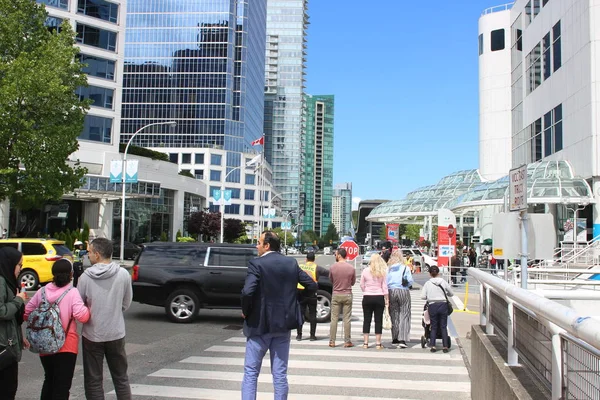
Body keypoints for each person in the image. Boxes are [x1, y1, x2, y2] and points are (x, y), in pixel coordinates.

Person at [241, 231, 317, 400]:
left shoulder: (256, 264)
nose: (257, 245)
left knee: (251, 372)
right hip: (283, 325)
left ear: (267, 245)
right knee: (280, 374)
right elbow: (311, 285)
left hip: (259, 325)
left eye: (259, 242)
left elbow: (247, 292)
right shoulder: (290, 263)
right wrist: (296, 299)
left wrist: (246, 311)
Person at [24, 259, 90, 399]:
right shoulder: (72, 293)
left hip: (45, 343)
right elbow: (82, 316)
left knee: (49, 380)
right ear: (71, 274)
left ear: (53, 274)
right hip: (66, 345)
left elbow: (27, 312)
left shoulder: (42, 292)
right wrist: (89, 308)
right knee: (62, 386)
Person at [77, 237, 133, 400]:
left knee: (93, 380)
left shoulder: (85, 277)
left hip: (92, 334)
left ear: (98, 253)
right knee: (121, 377)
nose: (88, 255)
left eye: (90, 252)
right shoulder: (123, 274)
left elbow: (79, 305)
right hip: (116, 332)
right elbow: (126, 302)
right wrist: (114, 310)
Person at [0, 247, 29, 399]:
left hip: (9, 343)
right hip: (3, 346)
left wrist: (20, 337)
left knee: (9, 388)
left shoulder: (8, 281)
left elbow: (13, 319)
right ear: (9, 263)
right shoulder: (1, 281)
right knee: (7, 389)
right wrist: (18, 300)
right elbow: (1, 311)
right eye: (19, 265)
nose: (20, 269)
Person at [421, 266, 454, 353]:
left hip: (432, 305)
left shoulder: (428, 283)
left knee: (433, 326)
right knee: (443, 326)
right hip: (443, 305)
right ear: (438, 273)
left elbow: (423, 296)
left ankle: (433, 346)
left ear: (430, 274)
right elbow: (451, 293)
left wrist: (430, 295)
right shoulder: (443, 281)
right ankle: (445, 346)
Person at [328, 248, 356, 348]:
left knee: (334, 318)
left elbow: (331, 279)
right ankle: (347, 341)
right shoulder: (351, 268)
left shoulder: (332, 267)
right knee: (347, 319)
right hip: (347, 294)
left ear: (339, 255)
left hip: (336, 294)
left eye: (336, 254)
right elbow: (353, 282)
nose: (335, 255)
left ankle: (332, 341)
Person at [296, 251, 327, 342]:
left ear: (306, 259)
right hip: (312, 292)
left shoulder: (300, 266)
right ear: (314, 259)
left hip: (301, 291)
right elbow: (327, 273)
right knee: (313, 314)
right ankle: (312, 336)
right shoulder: (317, 267)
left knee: (300, 313)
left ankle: (299, 335)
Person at [361, 253, 388, 349]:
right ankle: (378, 343)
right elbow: (384, 287)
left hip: (367, 296)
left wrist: (366, 291)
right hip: (379, 296)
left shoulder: (365, 271)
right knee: (378, 320)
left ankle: (365, 343)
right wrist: (387, 299)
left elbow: (362, 284)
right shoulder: (382, 271)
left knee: (367, 320)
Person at [386, 250, 413, 348]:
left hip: (391, 291)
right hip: (403, 290)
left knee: (394, 314)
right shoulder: (405, 268)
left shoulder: (388, 269)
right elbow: (410, 281)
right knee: (405, 313)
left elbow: (385, 282)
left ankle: (395, 338)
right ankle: (402, 339)